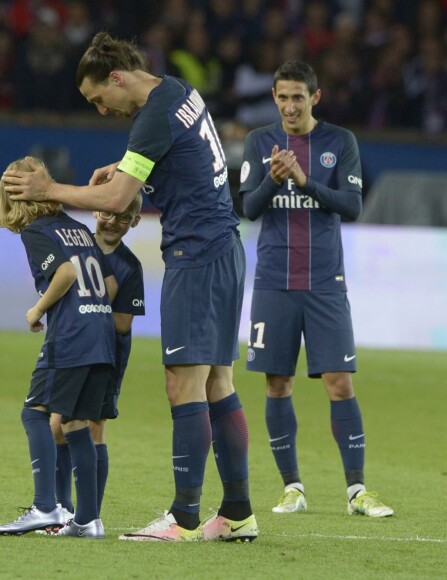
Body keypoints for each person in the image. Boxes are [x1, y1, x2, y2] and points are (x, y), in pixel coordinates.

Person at [2, 31, 257, 543]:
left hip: (196, 254)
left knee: (183, 383)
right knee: (218, 383)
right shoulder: (179, 92)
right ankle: (236, 514)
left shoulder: (152, 116)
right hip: (225, 247)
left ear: (117, 77)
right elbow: (159, 161)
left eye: (99, 98)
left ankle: (184, 519)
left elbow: (118, 199)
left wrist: (49, 189)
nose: (100, 110)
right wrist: (124, 167)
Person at [238, 60, 393, 517]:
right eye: (282, 97)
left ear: (315, 98)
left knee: (340, 383)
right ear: (273, 97)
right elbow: (248, 207)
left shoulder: (339, 142)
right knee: (277, 383)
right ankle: (293, 488)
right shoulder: (259, 142)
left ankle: (357, 491)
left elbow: (353, 206)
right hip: (273, 281)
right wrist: (275, 178)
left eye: (298, 98)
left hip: (325, 282)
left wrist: (304, 181)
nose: (289, 106)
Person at [0, 157, 116, 538]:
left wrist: (37, 310)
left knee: (34, 414)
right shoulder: (76, 227)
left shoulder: (37, 230)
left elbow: (65, 273)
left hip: (71, 338)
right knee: (76, 424)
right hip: (101, 334)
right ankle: (87, 519)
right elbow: (107, 280)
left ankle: (45, 507)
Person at [50, 195, 145, 521]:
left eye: (122, 217)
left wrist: (88, 305)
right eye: (107, 212)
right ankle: (62, 506)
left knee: (94, 427)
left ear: (134, 221)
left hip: (106, 353)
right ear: (95, 210)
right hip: (70, 346)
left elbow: (123, 322)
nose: (112, 220)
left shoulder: (130, 265)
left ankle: (89, 513)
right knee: (57, 425)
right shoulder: (75, 245)